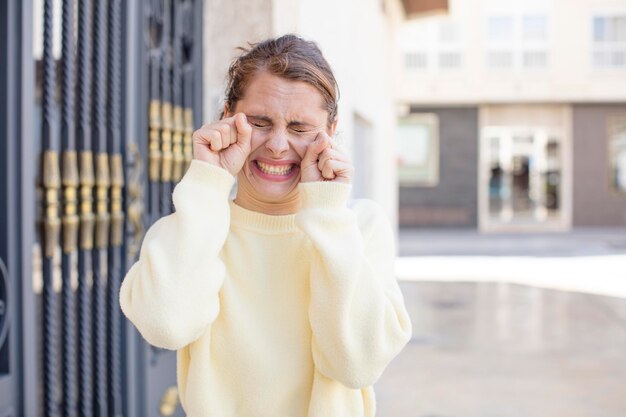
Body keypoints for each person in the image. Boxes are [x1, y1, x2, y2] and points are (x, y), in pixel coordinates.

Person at [120, 34, 412, 417]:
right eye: (260, 121)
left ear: (332, 128)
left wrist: (325, 212)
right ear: (228, 116)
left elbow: (356, 364)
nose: (277, 144)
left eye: (299, 127)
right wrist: (209, 181)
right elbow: (166, 326)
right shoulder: (193, 224)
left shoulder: (359, 227)